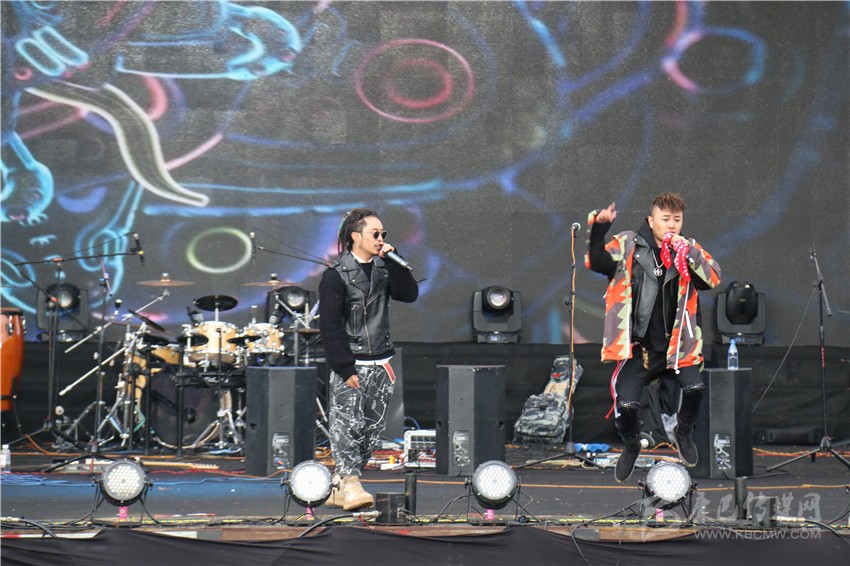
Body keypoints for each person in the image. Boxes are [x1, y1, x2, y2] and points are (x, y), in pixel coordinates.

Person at [586, 193, 721, 482]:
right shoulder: (628, 244)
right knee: (626, 406)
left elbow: (711, 278)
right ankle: (631, 445)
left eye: (677, 220)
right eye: (665, 219)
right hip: (641, 350)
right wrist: (599, 230)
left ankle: (683, 431)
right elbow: (598, 262)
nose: (671, 225)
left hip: (678, 348)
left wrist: (689, 252)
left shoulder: (689, 248)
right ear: (651, 220)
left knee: (695, 388)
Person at [319, 208, 419, 510]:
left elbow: (409, 294)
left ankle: (340, 484)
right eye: (375, 234)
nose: (381, 239)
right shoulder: (336, 275)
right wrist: (344, 366)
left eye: (383, 234)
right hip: (353, 362)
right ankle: (350, 484)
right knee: (346, 427)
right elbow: (330, 326)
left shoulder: (384, 269)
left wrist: (395, 261)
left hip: (381, 362)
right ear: (356, 236)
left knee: (371, 432)